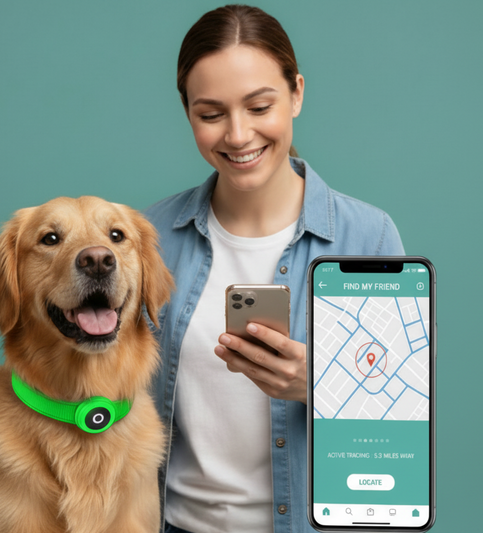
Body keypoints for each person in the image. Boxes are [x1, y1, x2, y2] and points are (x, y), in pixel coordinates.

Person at [144, 5, 405, 533]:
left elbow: (400, 422)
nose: (238, 136)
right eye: (211, 114)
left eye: (259, 106)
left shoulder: (368, 238)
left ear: (297, 94)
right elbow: (93, 372)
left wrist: (322, 383)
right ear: (187, 112)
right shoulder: (148, 237)